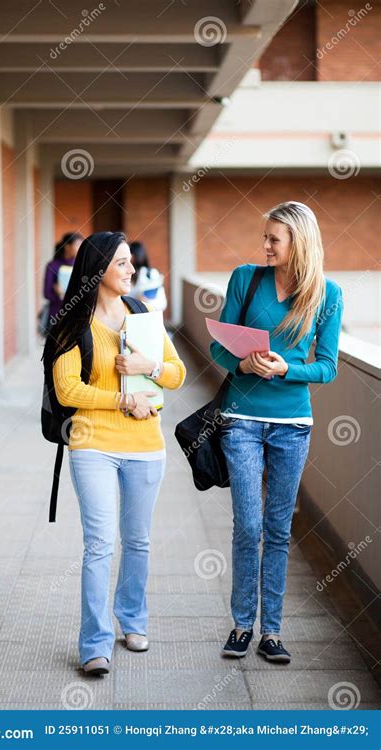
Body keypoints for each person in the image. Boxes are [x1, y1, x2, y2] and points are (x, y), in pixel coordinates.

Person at [42, 231, 186, 675]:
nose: (131, 270)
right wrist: (123, 400)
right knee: (100, 545)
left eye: (131, 263)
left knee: (138, 541)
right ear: (98, 268)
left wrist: (149, 368)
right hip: (93, 444)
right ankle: (94, 643)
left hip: (146, 446)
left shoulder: (143, 315)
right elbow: (68, 388)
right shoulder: (72, 323)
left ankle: (133, 620)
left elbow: (177, 374)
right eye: (122, 263)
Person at [210, 201, 343, 664]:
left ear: (298, 243)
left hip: (292, 426)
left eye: (274, 239)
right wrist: (242, 362)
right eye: (265, 237)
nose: (265, 245)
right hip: (242, 419)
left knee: (278, 529)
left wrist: (287, 368)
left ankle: (271, 632)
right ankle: (242, 624)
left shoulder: (327, 294)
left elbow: (327, 367)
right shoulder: (245, 279)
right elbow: (217, 347)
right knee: (248, 525)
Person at [42, 232, 83, 332]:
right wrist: (59, 294)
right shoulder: (53, 266)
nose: (80, 248)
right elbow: (47, 294)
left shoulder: (81, 265)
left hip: (78, 314)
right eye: (77, 244)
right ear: (67, 247)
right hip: (57, 314)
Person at [128, 240, 167, 312]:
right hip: (128, 319)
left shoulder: (151, 274)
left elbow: (162, 304)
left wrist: (145, 302)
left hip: (146, 318)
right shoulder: (124, 276)